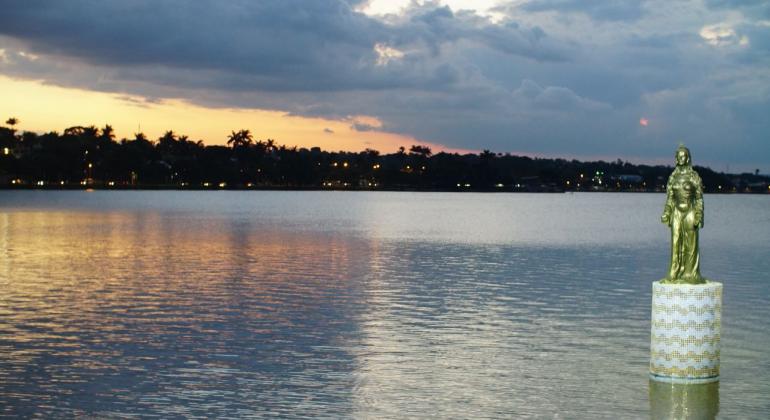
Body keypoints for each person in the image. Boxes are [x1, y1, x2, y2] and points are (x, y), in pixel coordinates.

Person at [661, 144, 705, 284]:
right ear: (676, 159)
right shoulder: (673, 177)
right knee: (675, 242)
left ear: (687, 158)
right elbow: (670, 198)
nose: (680, 159)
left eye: (683, 156)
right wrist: (667, 212)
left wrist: (699, 214)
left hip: (690, 210)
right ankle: (674, 273)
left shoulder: (694, 176)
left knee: (691, 244)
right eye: (678, 156)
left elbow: (699, 198)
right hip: (677, 212)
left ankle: (690, 274)